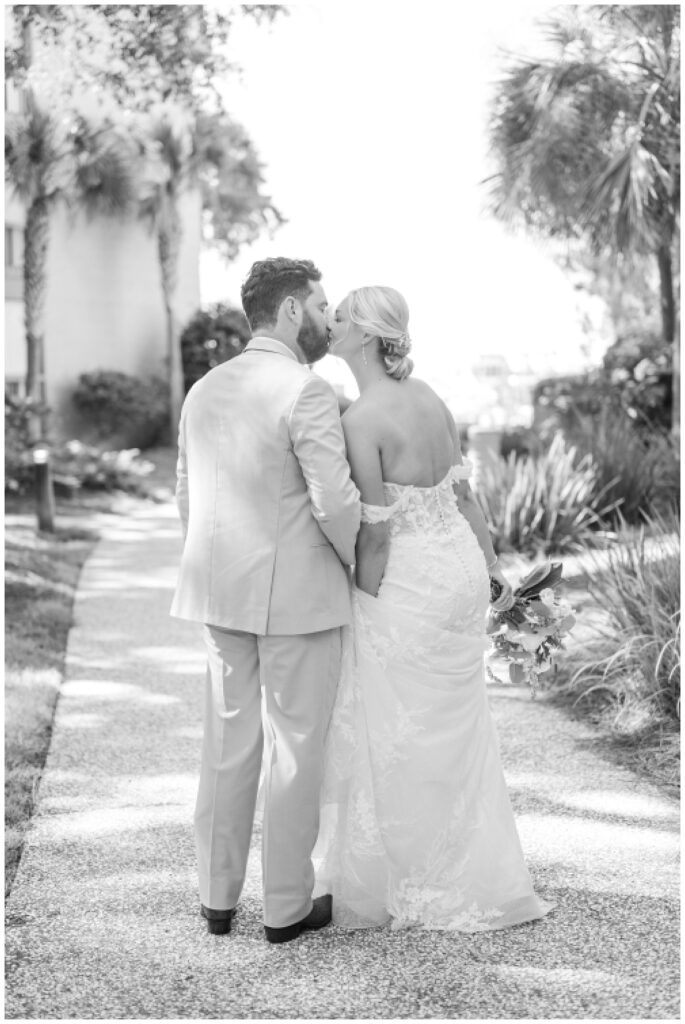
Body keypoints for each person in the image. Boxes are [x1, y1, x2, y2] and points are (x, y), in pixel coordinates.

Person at [313, 285, 554, 931]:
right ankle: (472, 869)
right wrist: (493, 575)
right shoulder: (430, 400)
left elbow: (377, 531)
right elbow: (466, 498)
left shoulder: (359, 420)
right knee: (454, 724)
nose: (327, 325)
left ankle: (411, 873)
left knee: (392, 722)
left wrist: (358, 602)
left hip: (409, 581)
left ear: (363, 335)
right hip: (458, 574)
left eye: (336, 318)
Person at [171, 258, 361, 944]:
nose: (324, 316)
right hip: (297, 598)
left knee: (226, 745)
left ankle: (215, 900)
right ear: (288, 311)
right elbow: (334, 499)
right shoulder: (304, 390)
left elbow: (186, 499)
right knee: (295, 748)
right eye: (319, 304)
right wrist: (355, 562)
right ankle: (283, 907)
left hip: (217, 592)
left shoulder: (203, 389)